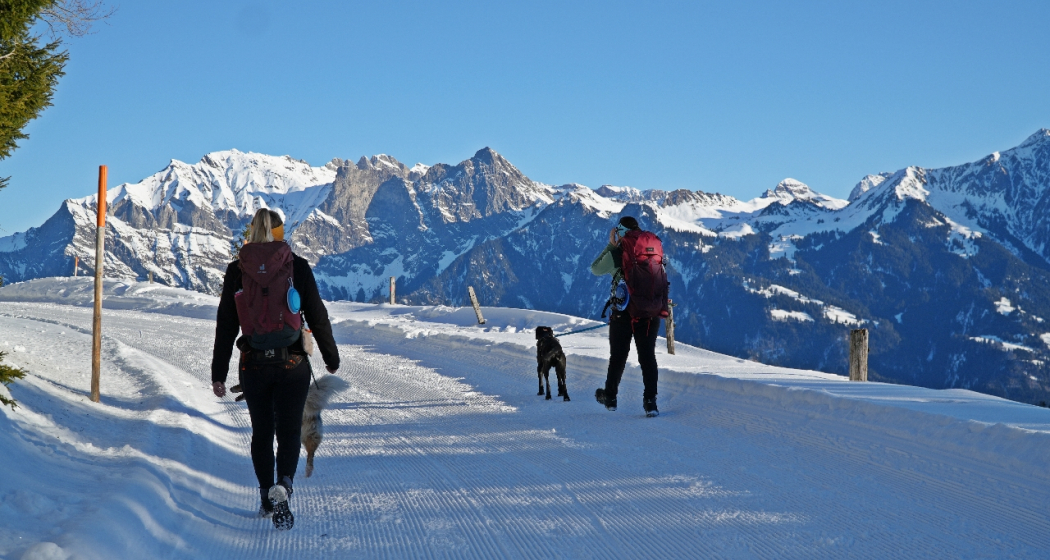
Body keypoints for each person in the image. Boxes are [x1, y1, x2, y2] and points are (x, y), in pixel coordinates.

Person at [211, 208, 340, 530]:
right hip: (292, 362)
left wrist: (218, 372)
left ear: (252, 232)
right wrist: (330, 356)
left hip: (253, 364)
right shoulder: (296, 266)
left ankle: (266, 497)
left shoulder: (236, 270)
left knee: (262, 432)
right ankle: (285, 483)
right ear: (280, 233)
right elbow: (317, 315)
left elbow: (226, 325)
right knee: (288, 431)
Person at [590, 216, 663, 417]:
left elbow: (595, 268)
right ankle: (650, 403)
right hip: (649, 313)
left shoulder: (618, 254)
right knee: (647, 357)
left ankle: (611, 397)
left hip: (623, 312)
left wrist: (611, 245)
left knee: (618, 356)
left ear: (620, 232)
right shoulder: (650, 252)